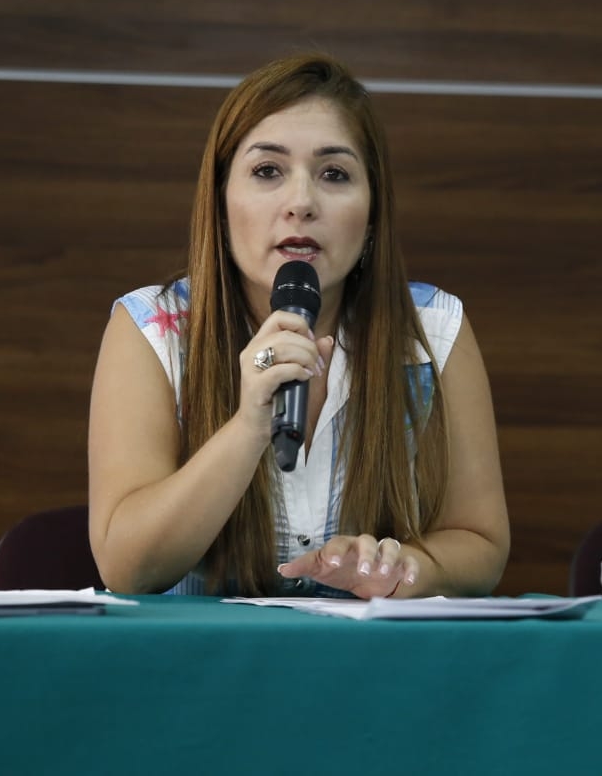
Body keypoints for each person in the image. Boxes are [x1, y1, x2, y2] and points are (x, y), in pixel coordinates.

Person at [88, 53, 509, 598]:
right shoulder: (154, 329)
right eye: (268, 171)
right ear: (219, 202)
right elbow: (129, 567)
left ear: (374, 211)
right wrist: (246, 427)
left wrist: (399, 568)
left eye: (334, 174)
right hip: (200, 671)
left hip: (373, 667)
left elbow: (480, 544)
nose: (301, 202)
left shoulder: (432, 329)